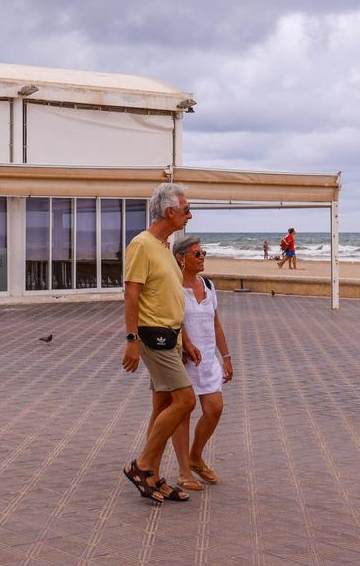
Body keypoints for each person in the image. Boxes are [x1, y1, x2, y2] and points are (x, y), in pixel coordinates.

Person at [121, 182, 202, 504]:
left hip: (172, 336)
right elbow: (131, 294)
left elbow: (168, 295)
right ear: (170, 211)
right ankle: (142, 465)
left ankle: (151, 474)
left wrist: (187, 340)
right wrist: (131, 341)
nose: (189, 215)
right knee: (185, 401)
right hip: (154, 335)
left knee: (163, 404)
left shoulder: (165, 246)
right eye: (186, 210)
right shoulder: (141, 244)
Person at [169, 235, 233, 491]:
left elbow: (215, 323)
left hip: (208, 359)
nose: (202, 257)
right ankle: (184, 471)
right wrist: (185, 342)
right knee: (183, 412)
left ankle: (196, 455)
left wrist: (226, 357)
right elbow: (172, 320)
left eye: (203, 252)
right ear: (181, 259)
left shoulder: (207, 285)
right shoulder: (173, 287)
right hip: (184, 360)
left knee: (214, 408)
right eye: (197, 254)